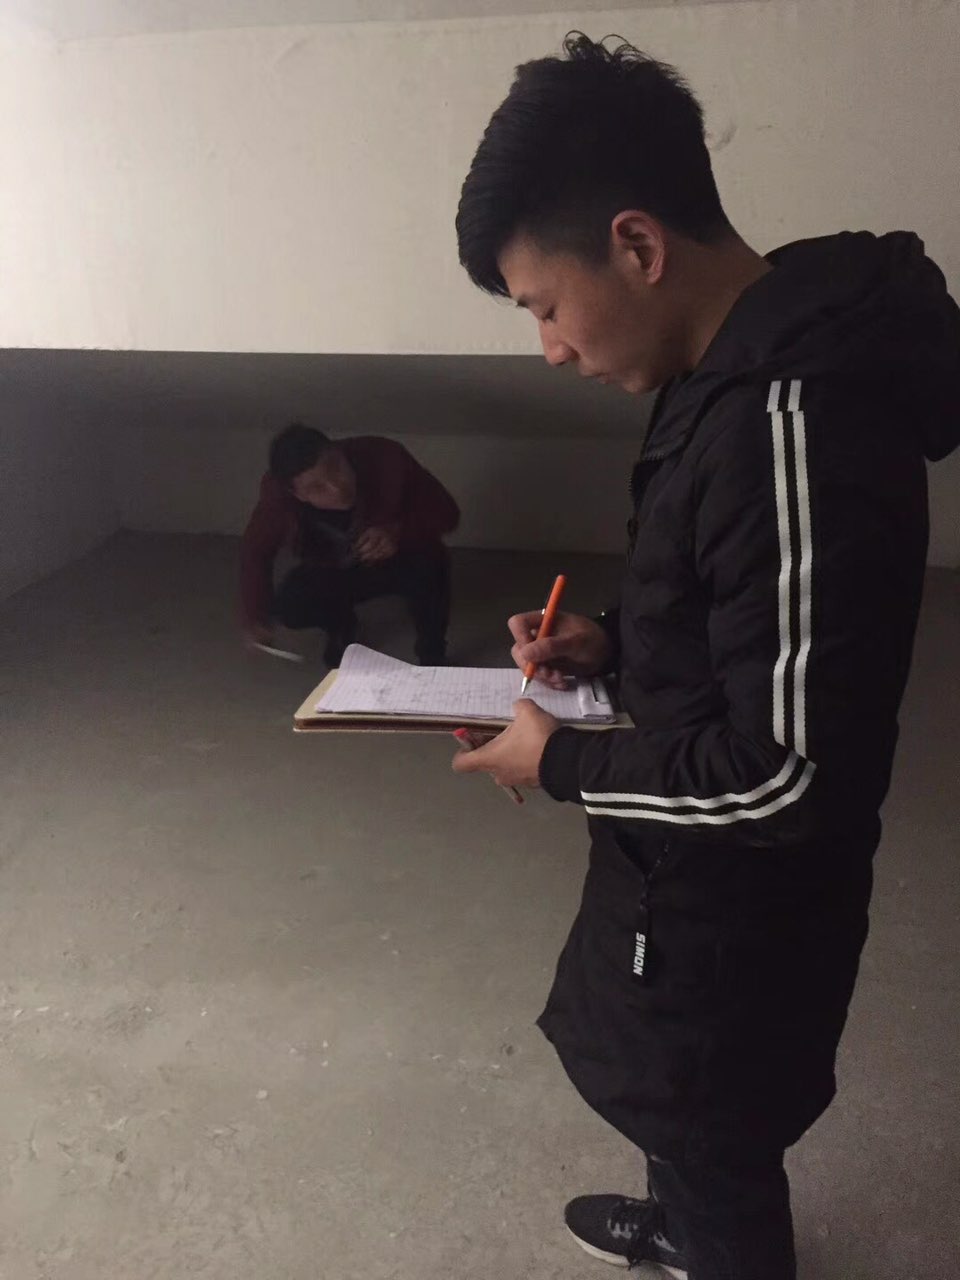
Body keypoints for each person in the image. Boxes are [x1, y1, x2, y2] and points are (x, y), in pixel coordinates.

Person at [451, 33, 960, 1280]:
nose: (551, 347)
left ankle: (718, 1246)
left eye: (545, 306)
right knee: (678, 1107)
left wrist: (560, 761)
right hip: (681, 883)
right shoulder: (716, 370)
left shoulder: (793, 423)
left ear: (637, 245)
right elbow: (742, 605)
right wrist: (614, 639)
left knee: (715, 1127)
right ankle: (685, 1226)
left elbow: (788, 772)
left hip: (742, 919)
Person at [240, 425, 459, 666]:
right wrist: (255, 617)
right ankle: (342, 625)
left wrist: (397, 531)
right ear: (298, 494)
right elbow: (255, 551)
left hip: (400, 555)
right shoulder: (277, 495)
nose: (337, 488)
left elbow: (448, 513)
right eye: (317, 488)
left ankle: (432, 655)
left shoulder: (385, 457)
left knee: (431, 564)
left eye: (336, 468)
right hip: (334, 566)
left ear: (340, 451)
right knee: (290, 604)